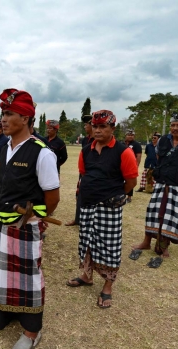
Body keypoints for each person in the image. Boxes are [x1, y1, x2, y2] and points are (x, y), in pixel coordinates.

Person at [0, 88, 60, 349]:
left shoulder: (42, 153)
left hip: (26, 226)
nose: (3, 119)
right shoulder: (6, 147)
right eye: (3, 113)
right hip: (4, 225)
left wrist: (35, 219)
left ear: (27, 117)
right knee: (4, 273)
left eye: (9, 114)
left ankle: (32, 330)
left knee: (29, 277)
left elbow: (52, 197)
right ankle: (7, 312)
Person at [66, 109, 138, 309]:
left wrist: (114, 194)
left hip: (109, 207)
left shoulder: (123, 151)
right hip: (88, 203)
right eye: (95, 126)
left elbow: (131, 181)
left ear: (112, 128)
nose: (97, 130)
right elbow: (83, 173)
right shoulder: (86, 150)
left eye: (102, 126)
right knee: (86, 241)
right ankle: (87, 276)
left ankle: (108, 286)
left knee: (110, 246)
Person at [132, 114, 178, 263]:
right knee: (153, 212)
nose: (175, 128)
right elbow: (159, 157)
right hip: (162, 182)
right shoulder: (163, 140)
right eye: (173, 125)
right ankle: (146, 242)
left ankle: (164, 246)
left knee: (172, 216)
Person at [66, 114, 94, 226]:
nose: (84, 127)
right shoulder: (85, 140)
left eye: (86, 125)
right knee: (79, 194)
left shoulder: (96, 139)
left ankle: (87, 221)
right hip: (83, 171)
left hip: (92, 172)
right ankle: (77, 219)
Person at [121, 129, 142, 202]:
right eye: (129, 135)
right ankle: (121, 194)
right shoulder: (122, 144)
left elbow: (138, 156)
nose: (130, 136)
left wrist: (136, 166)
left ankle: (129, 196)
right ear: (125, 136)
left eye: (132, 135)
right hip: (121, 165)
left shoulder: (136, 144)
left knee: (130, 180)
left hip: (130, 165)